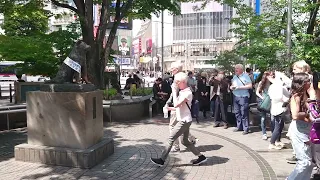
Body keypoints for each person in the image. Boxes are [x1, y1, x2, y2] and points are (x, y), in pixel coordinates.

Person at [151, 72, 207, 166]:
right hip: (185, 119)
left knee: (171, 138)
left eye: (177, 82)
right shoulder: (183, 92)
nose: (176, 84)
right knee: (184, 141)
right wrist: (169, 108)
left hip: (184, 121)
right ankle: (201, 157)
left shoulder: (187, 93)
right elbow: (178, 107)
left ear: (183, 82)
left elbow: (176, 104)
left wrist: (173, 90)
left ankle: (162, 160)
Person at [286, 73, 313, 180]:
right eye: (308, 81)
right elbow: (295, 115)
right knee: (304, 162)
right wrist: (309, 114)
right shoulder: (296, 97)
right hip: (299, 130)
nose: (310, 84)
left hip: (307, 129)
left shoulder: (307, 95)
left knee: (309, 163)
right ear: (303, 83)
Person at [268, 71, 290, 150]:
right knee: (277, 126)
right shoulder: (279, 87)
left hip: (275, 108)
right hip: (279, 108)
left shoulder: (272, 86)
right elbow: (283, 96)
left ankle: (277, 141)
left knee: (279, 126)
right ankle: (272, 142)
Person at [230, 64, 253, 135]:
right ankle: (239, 126)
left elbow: (250, 86)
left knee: (244, 112)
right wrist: (231, 87)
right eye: (235, 68)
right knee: (237, 112)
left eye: (237, 68)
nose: (235, 69)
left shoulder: (246, 76)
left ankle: (245, 128)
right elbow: (232, 85)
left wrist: (239, 87)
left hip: (243, 96)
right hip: (235, 96)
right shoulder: (234, 77)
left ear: (241, 69)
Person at [256, 71, 273, 140]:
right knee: (263, 118)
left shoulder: (273, 83)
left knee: (272, 118)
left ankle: (273, 132)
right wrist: (262, 97)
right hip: (264, 101)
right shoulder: (261, 83)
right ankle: (264, 133)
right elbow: (257, 92)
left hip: (271, 101)